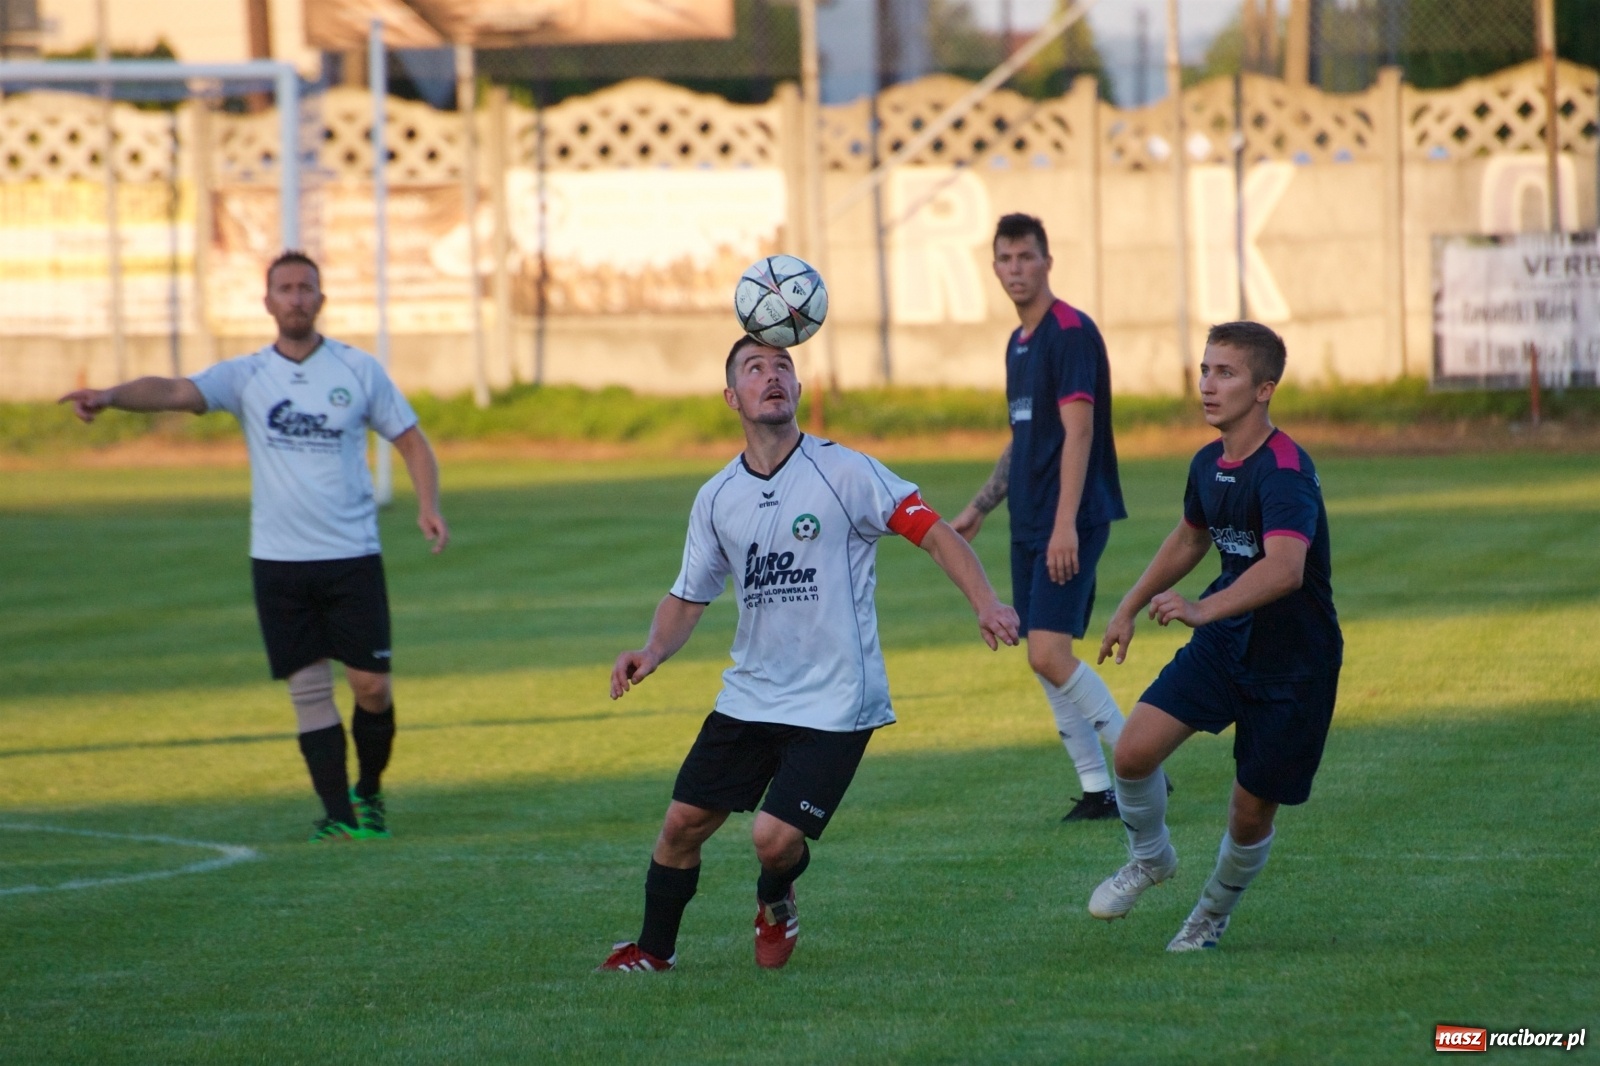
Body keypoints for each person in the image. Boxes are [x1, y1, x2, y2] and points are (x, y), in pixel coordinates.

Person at [597, 335, 1020, 972]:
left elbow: (933, 532)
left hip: (836, 699)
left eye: (783, 367)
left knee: (772, 841)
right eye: (754, 368)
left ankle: (776, 895)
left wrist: (985, 601)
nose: (772, 377)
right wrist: (653, 648)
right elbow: (689, 596)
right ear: (731, 396)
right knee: (681, 824)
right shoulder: (717, 498)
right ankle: (654, 954)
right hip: (753, 691)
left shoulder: (846, 471)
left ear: (798, 390)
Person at [60, 250, 448, 842]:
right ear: (267, 301)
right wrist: (110, 396)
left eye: (305, 287)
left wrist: (428, 505)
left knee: (371, 688)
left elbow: (413, 441)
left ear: (321, 299)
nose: (295, 297)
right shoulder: (246, 376)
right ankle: (338, 817)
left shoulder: (356, 370)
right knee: (308, 688)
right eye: (284, 288)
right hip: (277, 561)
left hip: (351, 556)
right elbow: (172, 391)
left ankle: (367, 791)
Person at [1088, 321, 1342, 952]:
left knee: (1249, 812)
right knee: (1133, 752)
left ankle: (1210, 914)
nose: (1207, 385)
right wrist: (1129, 605)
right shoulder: (1209, 462)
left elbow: (1285, 568)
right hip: (1227, 645)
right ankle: (1151, 859)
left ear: (1264, 389)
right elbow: (1190, 538)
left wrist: (1202, 609)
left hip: (1293, 664)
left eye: (1225, 373)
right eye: (1204, 370)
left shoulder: (1284, 470)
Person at [951, 213, 1130, 822]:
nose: (1016, 269)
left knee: (1049, 655)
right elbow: (1023, 438)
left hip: (1066, 521)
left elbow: (1079, 431)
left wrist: (1064, 524)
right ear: (995, 266)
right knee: (1041, 656)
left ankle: (1139, 760)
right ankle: (1097, 790)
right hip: (1029, 519)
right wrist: (979, 506)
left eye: (1026, 257)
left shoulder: (1070, 332)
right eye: (1005, 259)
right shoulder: (1017, 342)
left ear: (1047, 262)